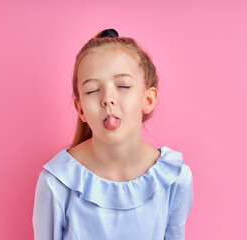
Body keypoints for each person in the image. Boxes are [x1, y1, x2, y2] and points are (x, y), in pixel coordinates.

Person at [32, 28, 194, 240]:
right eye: (92, 90)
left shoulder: (174, 178)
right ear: (80, 109)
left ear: (148, 99)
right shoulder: (57, 181)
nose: (108, 99)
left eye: (123, 86)